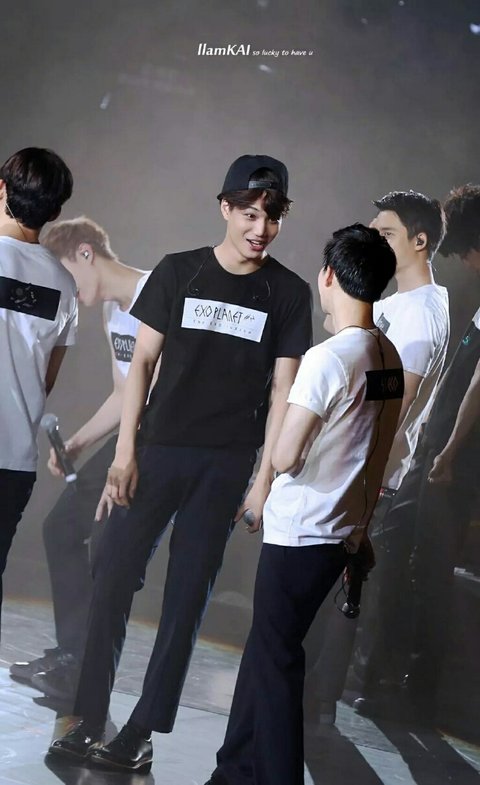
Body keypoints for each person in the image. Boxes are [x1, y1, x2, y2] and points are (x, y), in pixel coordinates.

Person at [49, 155, 312, 770]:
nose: (261, 229)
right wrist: (124, 453)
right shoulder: (178, 270)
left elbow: (283, 390)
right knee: (112, 572)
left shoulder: (289, 293)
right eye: (250, 214)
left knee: (187, 597)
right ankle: (89, 714)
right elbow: (140, 365)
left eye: (273, 217)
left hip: (226, 467)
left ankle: (141, 730)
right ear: (225, 208)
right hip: (158, 452)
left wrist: (264, 481)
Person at [205, 223, 404, 785]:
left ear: (328, 276)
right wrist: (361, 529)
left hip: (300, 532)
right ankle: (232, 772)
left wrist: (285, 421)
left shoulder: (328, 358)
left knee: (276, 662)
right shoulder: (386, 355)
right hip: (337, 534)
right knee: (268, 652)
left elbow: (287, 455)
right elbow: (381, 450)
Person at [303, 191, 449, 723]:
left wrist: (363, 473)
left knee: (336, 594)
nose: (375, 241)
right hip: (348, 463)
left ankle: (316, 707)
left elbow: (399, 398)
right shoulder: (395, 302)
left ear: (419, 241)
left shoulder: (423, 311)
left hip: (370, 473)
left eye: (385, 234)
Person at [9, 217, 150, 698]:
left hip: (152, 444)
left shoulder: (156, 292)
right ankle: (72, 655)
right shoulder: (113, 312)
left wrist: (125, 457)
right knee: (62, 529)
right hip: (129, 438)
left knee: (104, 550)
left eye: (66, 273)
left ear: (86, 253)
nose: (65, 288)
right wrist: (78, 443)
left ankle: (85, 670)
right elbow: (123, 393)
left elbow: (158, 392)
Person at [403, 184, 480, 719]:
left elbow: (478, 383)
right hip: (447, 450)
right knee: (424, 560)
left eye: (468, 252)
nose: (468, 264)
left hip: (460, 460)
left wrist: (449, 451)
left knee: (433, 565)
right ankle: (411, 679)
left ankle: (420, 689)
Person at [0, 147, 76, 634]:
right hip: (13, 463)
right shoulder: (63, 283)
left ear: (1, 189)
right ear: (55, 212)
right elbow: (48, 377)